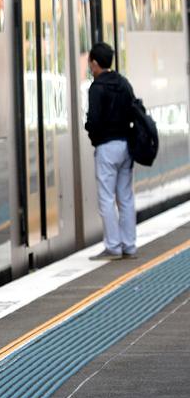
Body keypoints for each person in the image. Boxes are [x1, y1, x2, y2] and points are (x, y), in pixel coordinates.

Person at [84, 41, 138, 260]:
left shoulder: (97, 88)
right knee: (125, 197)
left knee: (106, 198)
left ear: (95, 63)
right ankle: (130, 246)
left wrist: (92, 133)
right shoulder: (123, 83)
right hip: (126, 145)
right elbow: (134, 110)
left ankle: (113, 247)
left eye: (90, 62)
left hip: (107, 147)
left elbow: (94, 120)